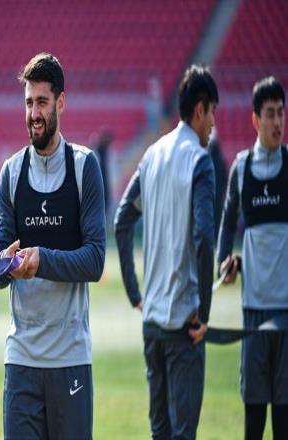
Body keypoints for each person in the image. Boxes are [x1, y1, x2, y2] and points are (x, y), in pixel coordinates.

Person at [0, 52, 106, 439]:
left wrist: (42, 260)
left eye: (42, 102)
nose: (34, 114)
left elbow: (95, 260)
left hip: (70, 359)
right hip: (20, 359)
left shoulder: (84, 166)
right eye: (28, 103)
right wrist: (5, 264)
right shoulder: (10, 172)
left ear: (61, 102)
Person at [115, 65, 218, 440]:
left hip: (152, 325)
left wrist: (135, 293)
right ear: (200, 109)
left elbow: (122, 222)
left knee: (159, 432)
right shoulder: (199, 161)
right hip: (183, 325)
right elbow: (204, 238)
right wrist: (204, 313)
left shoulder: (151, 156)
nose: (213, 124)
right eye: (213, 113)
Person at [217, 76, 288, 440]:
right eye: (270, 114)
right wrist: (225, 262)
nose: (278, 122)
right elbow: (227, 224)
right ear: (256, 120)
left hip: (286, 314)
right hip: (254, 315)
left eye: (281, 113)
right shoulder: (242, 169)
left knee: (284, 423)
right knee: (254, 422)